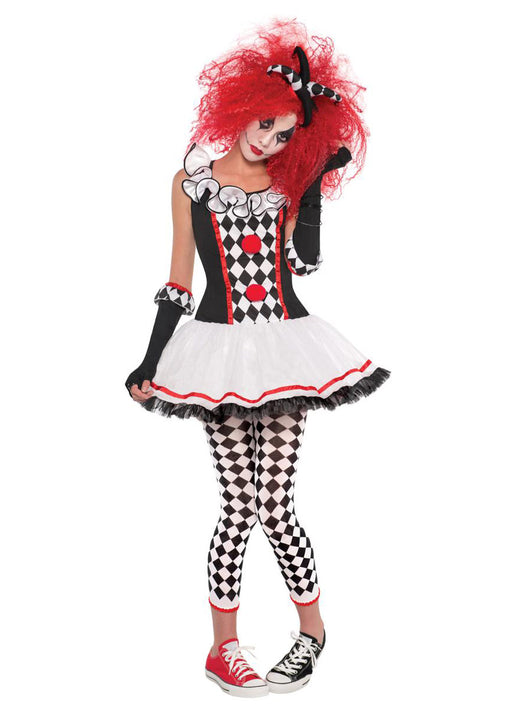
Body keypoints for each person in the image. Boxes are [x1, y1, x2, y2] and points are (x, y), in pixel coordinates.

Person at [125, 18, 391, 697]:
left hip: (281, 348)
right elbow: (179, 281)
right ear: (241, 106)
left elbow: (304, 263)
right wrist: (149, 360)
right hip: (216, 355)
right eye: (265, 123)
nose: (269, 139)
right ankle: (224, 648)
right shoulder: (191, 184)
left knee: (273, 504)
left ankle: (312, 633)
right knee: (238, 505)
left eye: (284, 133)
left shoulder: (286, 182)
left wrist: (311, 186)